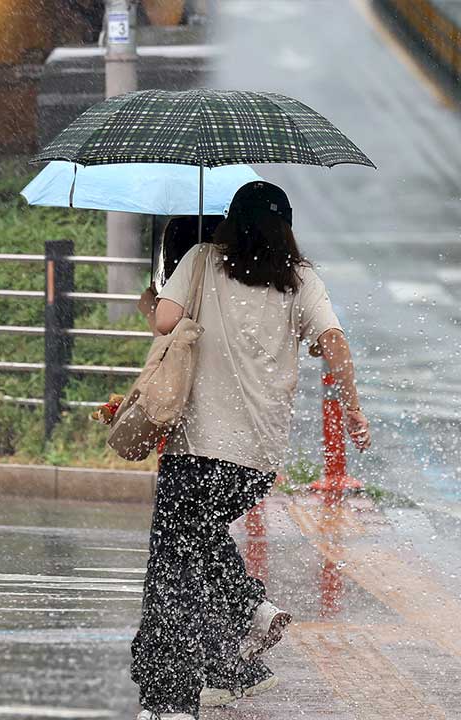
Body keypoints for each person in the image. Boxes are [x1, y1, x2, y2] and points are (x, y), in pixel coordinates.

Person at [132, 182, 370, 719]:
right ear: (286, 227)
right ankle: (241, 630)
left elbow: (166, 323)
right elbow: (334, 342)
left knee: (173, 570)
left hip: (195, 452)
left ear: (229, 222)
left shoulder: (201, 258)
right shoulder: (301, 278)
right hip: (255, 461)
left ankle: (170, 698)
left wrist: (153, 301)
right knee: (197, 543)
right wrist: (352, 406)